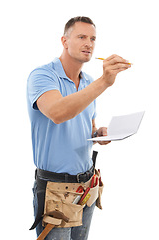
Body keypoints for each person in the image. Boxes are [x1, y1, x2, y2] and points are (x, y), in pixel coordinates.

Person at [27, 16, 131, 240]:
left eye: (93, 38)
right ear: (64, 41)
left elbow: (87, 126)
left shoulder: (88, 82)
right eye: (82, 37)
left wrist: (98, 134)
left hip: (87, 187)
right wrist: (104, 82)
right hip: (56, 191)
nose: (89, 43)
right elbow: (57, 113)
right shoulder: (43, 76)